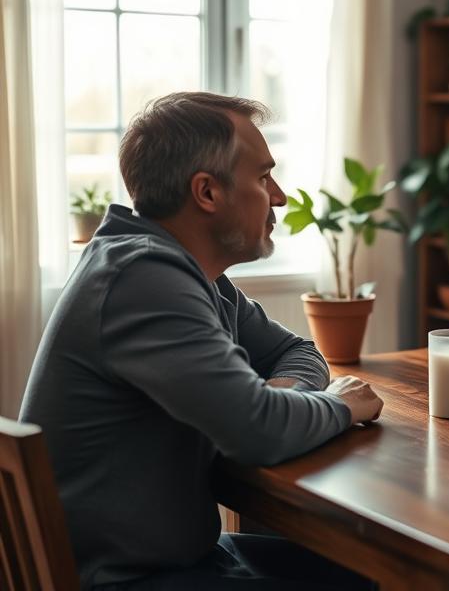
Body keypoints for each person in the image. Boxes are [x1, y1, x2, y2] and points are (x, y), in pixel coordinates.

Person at [19, 92, 384, 589]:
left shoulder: (192, 275)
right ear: (207, 192)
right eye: (262, 177)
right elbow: (257, 432)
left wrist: (280, 394)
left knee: (369, 574)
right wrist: (339, 405)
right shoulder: (143, 277)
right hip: (124, 580)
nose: (278, 196)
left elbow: (294, 351)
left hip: (180, 558)